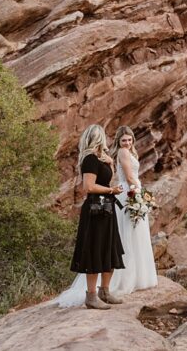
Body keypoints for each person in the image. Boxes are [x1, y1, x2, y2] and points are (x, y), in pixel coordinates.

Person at [57, 124, 126, 309]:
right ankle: (91, 296)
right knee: (95, 249)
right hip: (96, 210)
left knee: (108, 247)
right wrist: (112, 190)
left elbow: (102, 181)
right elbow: (88, 187)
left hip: (107, 208)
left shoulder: (101, 159)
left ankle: (105, 291)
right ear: (98, 138)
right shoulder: (89, 159)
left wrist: (110, 165)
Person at [107, 125, 158, 296]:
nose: (127, 143)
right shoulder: (122, 152)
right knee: (128, 233)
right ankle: (127, 279)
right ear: (118, 141)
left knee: (137, 233)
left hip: (132, 190)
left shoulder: (130, 151)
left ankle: (139, 276)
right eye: (124, 140)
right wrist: (141, 194)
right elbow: (129, 177)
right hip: (128, 192)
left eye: (129, 139)